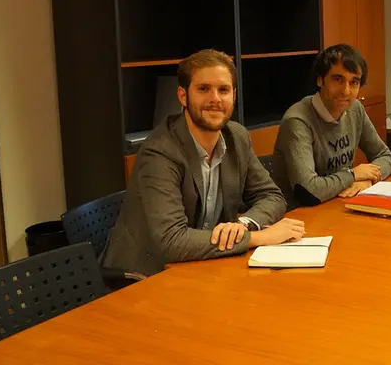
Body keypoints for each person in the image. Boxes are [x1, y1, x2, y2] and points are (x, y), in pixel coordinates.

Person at [101, 49, 304, 276]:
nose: (215, 99)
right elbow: (171, 241)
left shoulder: (236, 137)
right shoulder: (159, 151)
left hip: (204, 263)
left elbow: (271, 196)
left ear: (234, 96)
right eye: (203, 89)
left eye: (223, 90)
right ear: (183, 96)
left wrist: (243, 225)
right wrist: (257, 238)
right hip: (146, 275)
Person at [272, 44, 391, 209]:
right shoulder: (297, 121)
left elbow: (385, 156)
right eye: (338, 79)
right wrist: (353, 175)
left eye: (354, 82)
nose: (346, 91)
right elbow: (308, 191)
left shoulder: (355, 109)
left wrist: (368, 179)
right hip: (298, 213)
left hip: (338, 203)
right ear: (320, 80)